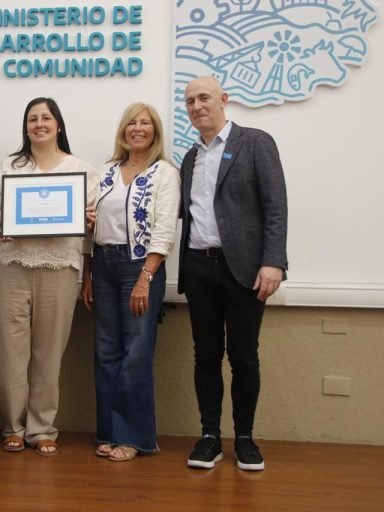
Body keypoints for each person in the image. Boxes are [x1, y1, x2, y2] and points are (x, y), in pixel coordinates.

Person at [179, 76, 288, 471]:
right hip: (198, 266)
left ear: (223, 100)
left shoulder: (255, 142)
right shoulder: (190, 158)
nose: (196, 106)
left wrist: (273, 261)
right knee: (205, 355)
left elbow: (276, 206)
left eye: (204, 98)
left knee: (243, 356)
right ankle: (210, 437)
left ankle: (245, 438)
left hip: (244, 269)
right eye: (189, 101)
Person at [0, 97, 99, 456]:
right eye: (33, 118)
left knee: (49, 354)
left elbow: (90, 230)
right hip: (13, 268)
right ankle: (13, 427)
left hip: (60, 268)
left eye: (46, 118)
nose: (39, 124)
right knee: (10, 353)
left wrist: (87, 220)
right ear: (26, 127)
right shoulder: (10, 165)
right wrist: (2, 222)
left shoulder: (81, 169)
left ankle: (42, 428)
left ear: (58, 125)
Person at [81, 103, 180, 462]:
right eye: (132, 123)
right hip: (104, 265)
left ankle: (134, 437)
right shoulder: (105, 171)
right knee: (106, 353)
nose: (138, 129)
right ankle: (107, 432)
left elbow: (165, 227)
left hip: (140, 267)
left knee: (135, 353)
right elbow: (88, 227)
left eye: (145, 123)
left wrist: (146, 278)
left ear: (155, 132)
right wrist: (88, 272)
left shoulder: (165, 173)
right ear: (123, 130)